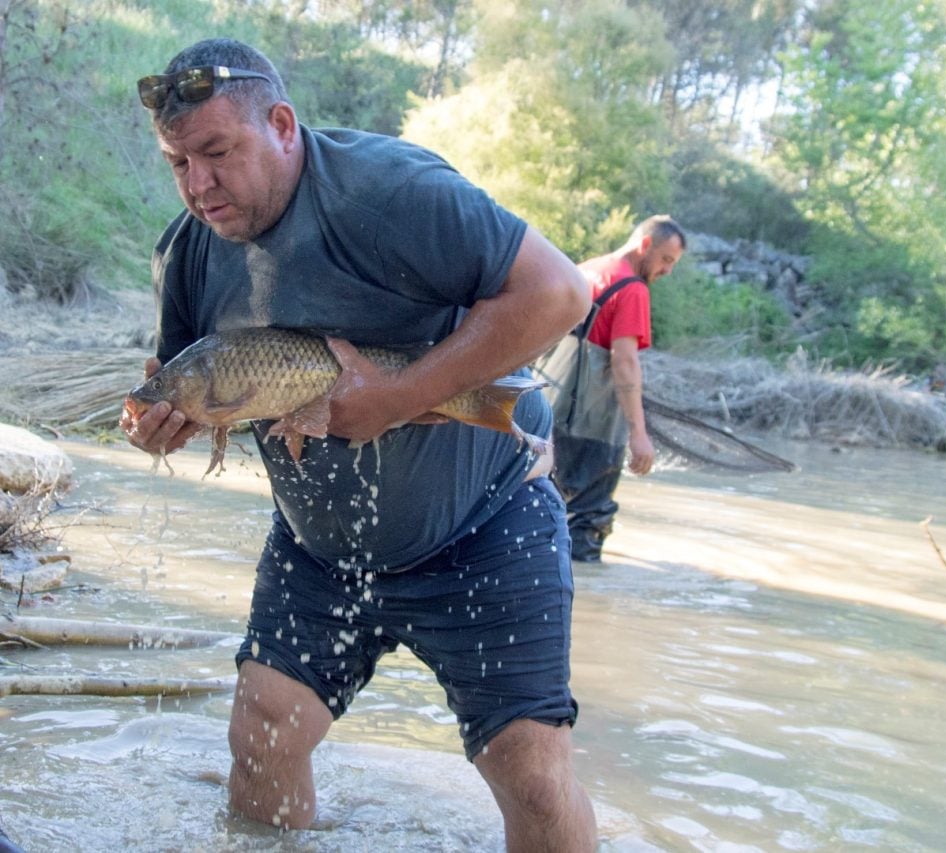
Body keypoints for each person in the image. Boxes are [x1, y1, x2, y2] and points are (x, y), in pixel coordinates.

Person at [120, 38, 597, 851]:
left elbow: (560, 292)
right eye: (177, 164)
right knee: (260, 741)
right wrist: (158, 430)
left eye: (215, 153)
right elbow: (181, 385)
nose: (198, 186)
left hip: (483, 523)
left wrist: (397, 399)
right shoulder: (190, 251)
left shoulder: (392, 192)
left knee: (533, 777)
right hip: (320, 547)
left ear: (280, 124)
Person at [549, 216, 686, 562]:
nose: (667, 271)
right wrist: (639, 434)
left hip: (547, 412)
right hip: (592, 426)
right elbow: (624, 360)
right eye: (666, 260)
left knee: (543, 507)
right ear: (645, 246)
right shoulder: (632, 289)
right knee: (586, 524)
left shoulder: (585, 270)